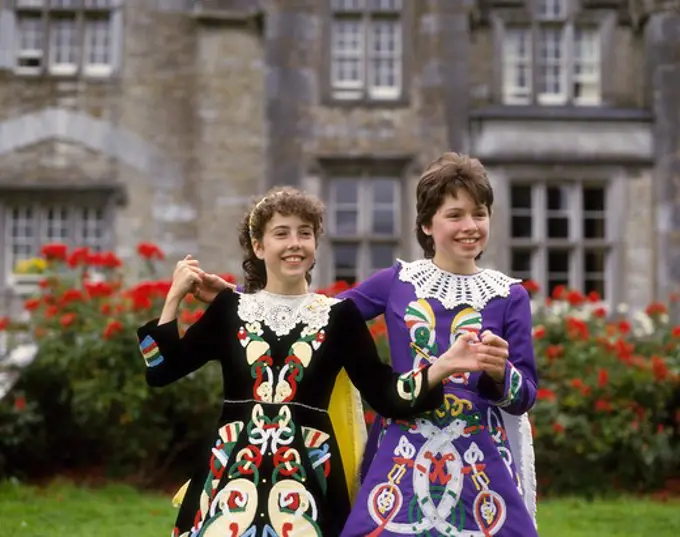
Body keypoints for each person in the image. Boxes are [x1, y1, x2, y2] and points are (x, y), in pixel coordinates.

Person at [196, 153, 539, 536]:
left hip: (482, 465)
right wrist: (241, 298)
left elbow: (525, 395)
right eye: (454, 215)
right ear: (426, 225)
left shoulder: (509, 296)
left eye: (479, 213)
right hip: (401, 459)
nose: (470, 226)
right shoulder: (398, 282)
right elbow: (319, 318)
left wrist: (498, 371)